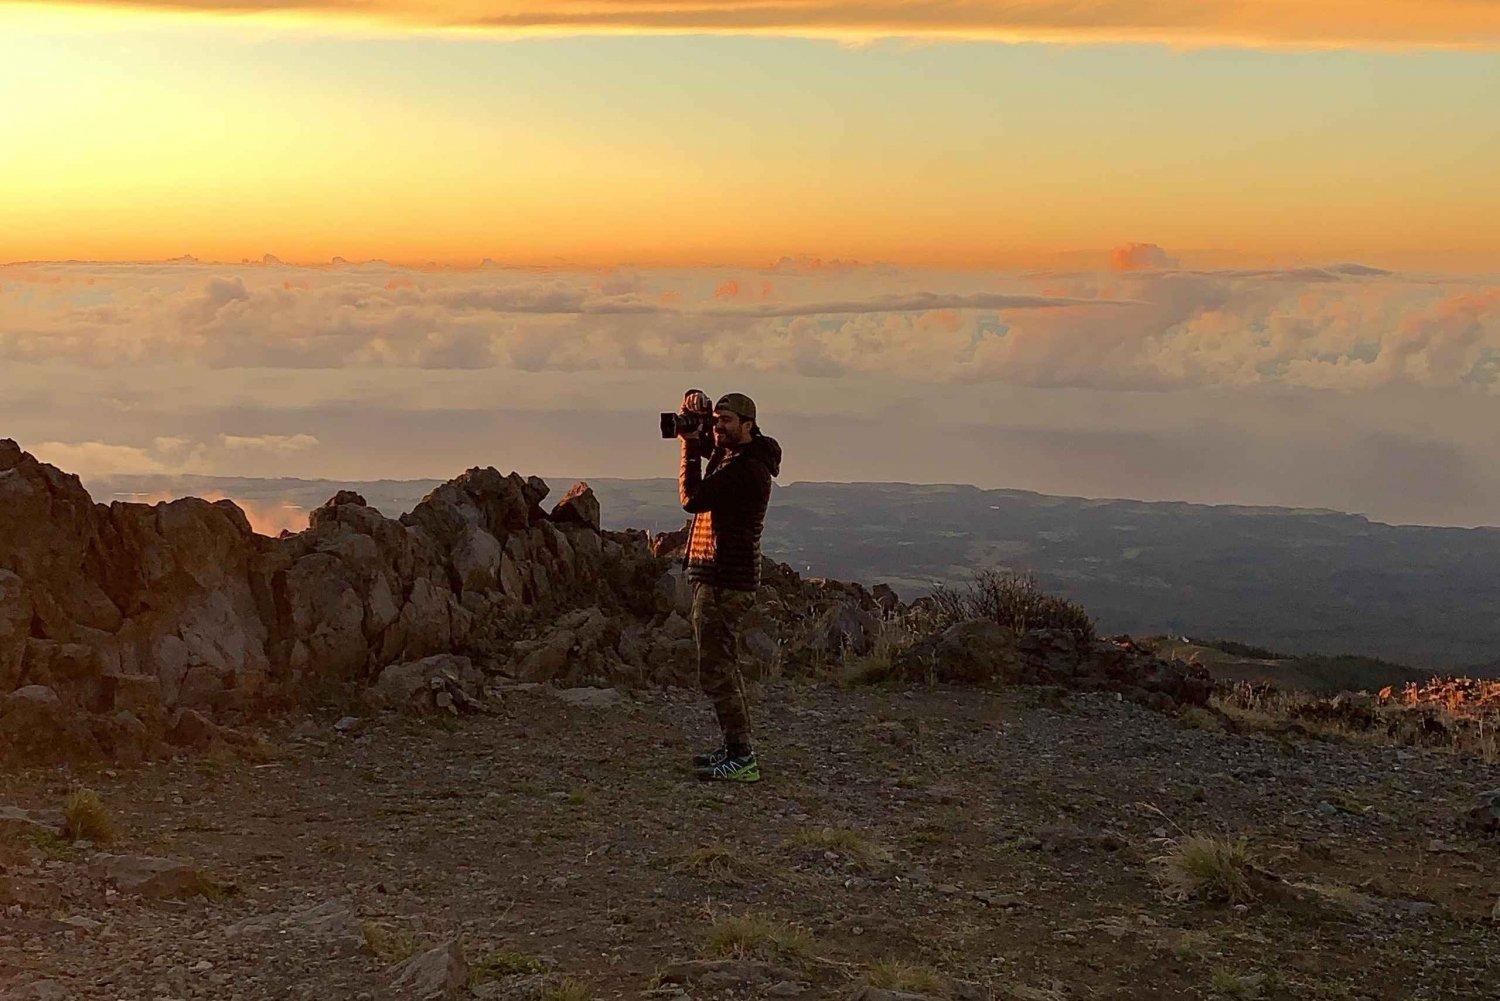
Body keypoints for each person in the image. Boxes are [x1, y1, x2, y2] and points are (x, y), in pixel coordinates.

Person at [677, 391, 782, 782]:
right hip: (721, 577)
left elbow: (692, 499)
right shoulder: (738, 456)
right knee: (723, 667)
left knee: (717, 671)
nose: (718, 428)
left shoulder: (746, 470)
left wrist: (687, 449)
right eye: (717, 420)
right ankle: (735, 749)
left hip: (725, 579)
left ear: (748, 424)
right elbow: (710, 445)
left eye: (726, 421)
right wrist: (693, 414)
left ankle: (741, 756)